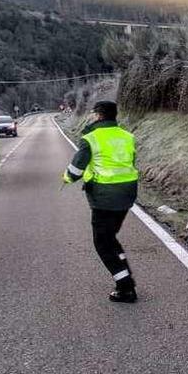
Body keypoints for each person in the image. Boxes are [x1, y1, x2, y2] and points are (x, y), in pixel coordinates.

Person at [62, 101, 139, 303]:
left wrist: (67, 177)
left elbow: (76, 170)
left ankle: (125, 287)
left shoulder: (91, 138)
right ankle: (125, 272)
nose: (91, 117)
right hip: (127, 194)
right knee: (110, 237)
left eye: (93, 114)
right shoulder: (127, 136)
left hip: (105, 197)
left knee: (102, 242)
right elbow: (130, 162)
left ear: (98, 116)